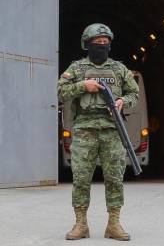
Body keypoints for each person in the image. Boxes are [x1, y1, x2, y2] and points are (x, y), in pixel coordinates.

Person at [57, 23, 140, 241]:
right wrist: (84, 86)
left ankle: (114, 224)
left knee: (115, 178)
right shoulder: (77, 69)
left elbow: (134, 93)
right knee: (81, 178)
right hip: (84, 129)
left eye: (105, 43)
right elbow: (61, 91)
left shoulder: (119, 69)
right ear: (87, 45)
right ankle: (80, 224)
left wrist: (123, 101)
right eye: (97, 43)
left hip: (113, 130)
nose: (102, 46)